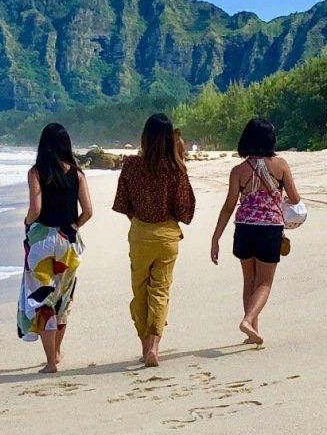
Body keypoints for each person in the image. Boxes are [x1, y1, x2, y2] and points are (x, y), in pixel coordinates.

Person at [112, 113, 196, 367]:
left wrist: (139, 220)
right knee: (160, 290)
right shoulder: (175, 169)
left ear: (145, 137)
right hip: (168, 235)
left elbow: (122, 203)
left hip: (140, 233)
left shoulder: (131, 165)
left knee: (140, 290)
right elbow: (186, 210)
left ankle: (144, 343)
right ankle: (155, 346)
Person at [209, 118, 302, 347]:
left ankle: (253, 330)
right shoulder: (280, 165)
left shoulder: (238, 171)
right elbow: (296, 198)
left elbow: (229, 206)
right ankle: (249, 320)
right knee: (265, 283)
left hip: (244, 228)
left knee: (248, 280)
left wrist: (216, 237)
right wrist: (280, 199)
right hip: (269, 228)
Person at [18, 123, 92, 373]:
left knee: (43, 300)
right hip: (67, 241)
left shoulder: (36, 173)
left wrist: (28, 224)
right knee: (62, 298)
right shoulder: (78, 174)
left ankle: (51, 362)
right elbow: (89, 211)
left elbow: (35, 209)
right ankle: (57, 353)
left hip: (42, 242)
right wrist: (73, 226)